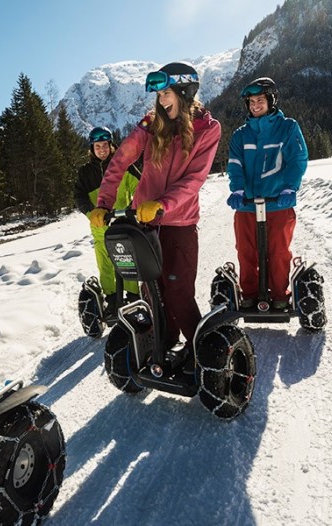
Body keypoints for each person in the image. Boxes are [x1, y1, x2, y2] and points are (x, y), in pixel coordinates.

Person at [89, 62, 221, 355]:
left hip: (179, 224)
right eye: (159, 95)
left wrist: (162, 204)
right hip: (144, 224)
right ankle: (161, 346)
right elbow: (119, 162)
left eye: (166, 93)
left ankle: (203, 354)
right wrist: (104, 203)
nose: (161, 100)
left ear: (185, 92)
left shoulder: (207, 129)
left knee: (178, 294)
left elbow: (194, 179)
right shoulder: (150, 126)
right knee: (152, 292)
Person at [225, 77, 308, 309]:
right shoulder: (240, 135)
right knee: (246, 251)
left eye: (260, 100)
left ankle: (280, 296)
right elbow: (234, 165)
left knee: (279, 252)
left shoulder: (288, 128)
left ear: (271, 101)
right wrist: (238, 190)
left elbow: (297, 159)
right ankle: (249, 295)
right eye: (251, 102)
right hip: (247, 205)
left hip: (278, 203)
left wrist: (290, 187)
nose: (255, 105)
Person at [74, 126, 141, 317]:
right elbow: (79, 196)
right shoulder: (85, 173)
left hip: (123, 221)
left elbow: (139, 185)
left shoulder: (123, 165)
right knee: (105, 264)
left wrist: (134, 206)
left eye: (105, 145)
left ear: (111, 146)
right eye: (97, 146)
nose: (102, 149)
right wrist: (90, 212)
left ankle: (133, 297)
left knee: (127, 260)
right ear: (91, 148)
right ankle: (112, 300)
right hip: (100, 226)